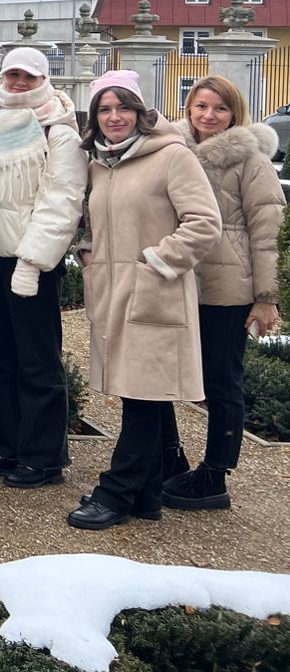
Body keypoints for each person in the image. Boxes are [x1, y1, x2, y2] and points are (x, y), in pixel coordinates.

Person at [69, 71, 221, 530]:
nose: (114, 117)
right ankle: (147, 495)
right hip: (113, 293)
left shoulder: (172, 156)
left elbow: (204, 223)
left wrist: (155, 262)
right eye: (105, 109)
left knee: (142, 397)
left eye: (123, 108)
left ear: (140, 112)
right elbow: (97, 220)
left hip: (155, 293)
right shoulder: (101, 163)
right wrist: (87, 249)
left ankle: (116, 492)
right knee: (143, 397)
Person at [159, 74, 284, 510]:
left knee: (221, 381)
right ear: (189, 108)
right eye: (201, 106)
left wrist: (266, 296)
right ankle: (169, 457)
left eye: (220, 108)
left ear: (235, 113)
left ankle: (214, 475)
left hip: (227, 286)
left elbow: (267, 232)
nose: (209, 115)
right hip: (178, 278)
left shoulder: (251, 161)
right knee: (161, 373)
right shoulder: (172, 149)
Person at [0, 47, 86, 488]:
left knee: (37, 360)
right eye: (11, 74)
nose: (18, 83)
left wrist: (32, 262)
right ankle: (10, 445)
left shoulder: (58, 132)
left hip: (30, 262)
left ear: (43, 79)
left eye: (27, 77)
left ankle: (44, 456)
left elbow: (61, 203)